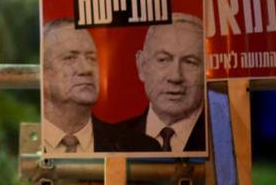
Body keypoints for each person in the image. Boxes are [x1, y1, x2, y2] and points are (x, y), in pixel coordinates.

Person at [41, 19, 155, 153]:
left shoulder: (141, 147)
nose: (86, 69)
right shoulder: (22, 144)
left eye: (91, 58)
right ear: (43, 71)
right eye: (70, 58)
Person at [117, 13, 206, 152]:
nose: (176, 77)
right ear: (142, 66)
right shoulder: (113, 140)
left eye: (190, 62)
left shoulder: (223, 139)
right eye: (163, 60)